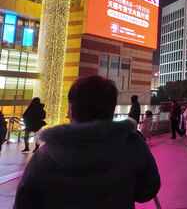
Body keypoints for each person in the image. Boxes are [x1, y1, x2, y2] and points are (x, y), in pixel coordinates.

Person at [14, 75, 160, 208]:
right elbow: (148, 190)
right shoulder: (132, 144)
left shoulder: (45, 155)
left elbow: (24, 202)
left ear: (71, 109)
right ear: (111, 108)